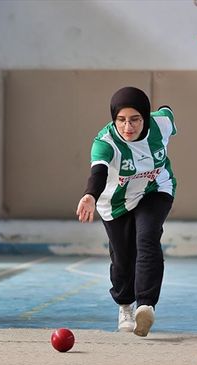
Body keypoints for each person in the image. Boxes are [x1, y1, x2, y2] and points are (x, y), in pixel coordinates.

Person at [76, 87, 176, 336]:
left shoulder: (160, 125)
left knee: (148, 237)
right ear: (114, 120)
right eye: (121, 120)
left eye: (135, 119)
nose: (128, 127)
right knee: (122, 257)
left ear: (145, 117)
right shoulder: (105, 143)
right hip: (115, 201)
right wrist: (90, 195)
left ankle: (145, 305)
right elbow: (98, 173)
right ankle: (125, 305)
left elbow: (168, 112)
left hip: (155, 189)